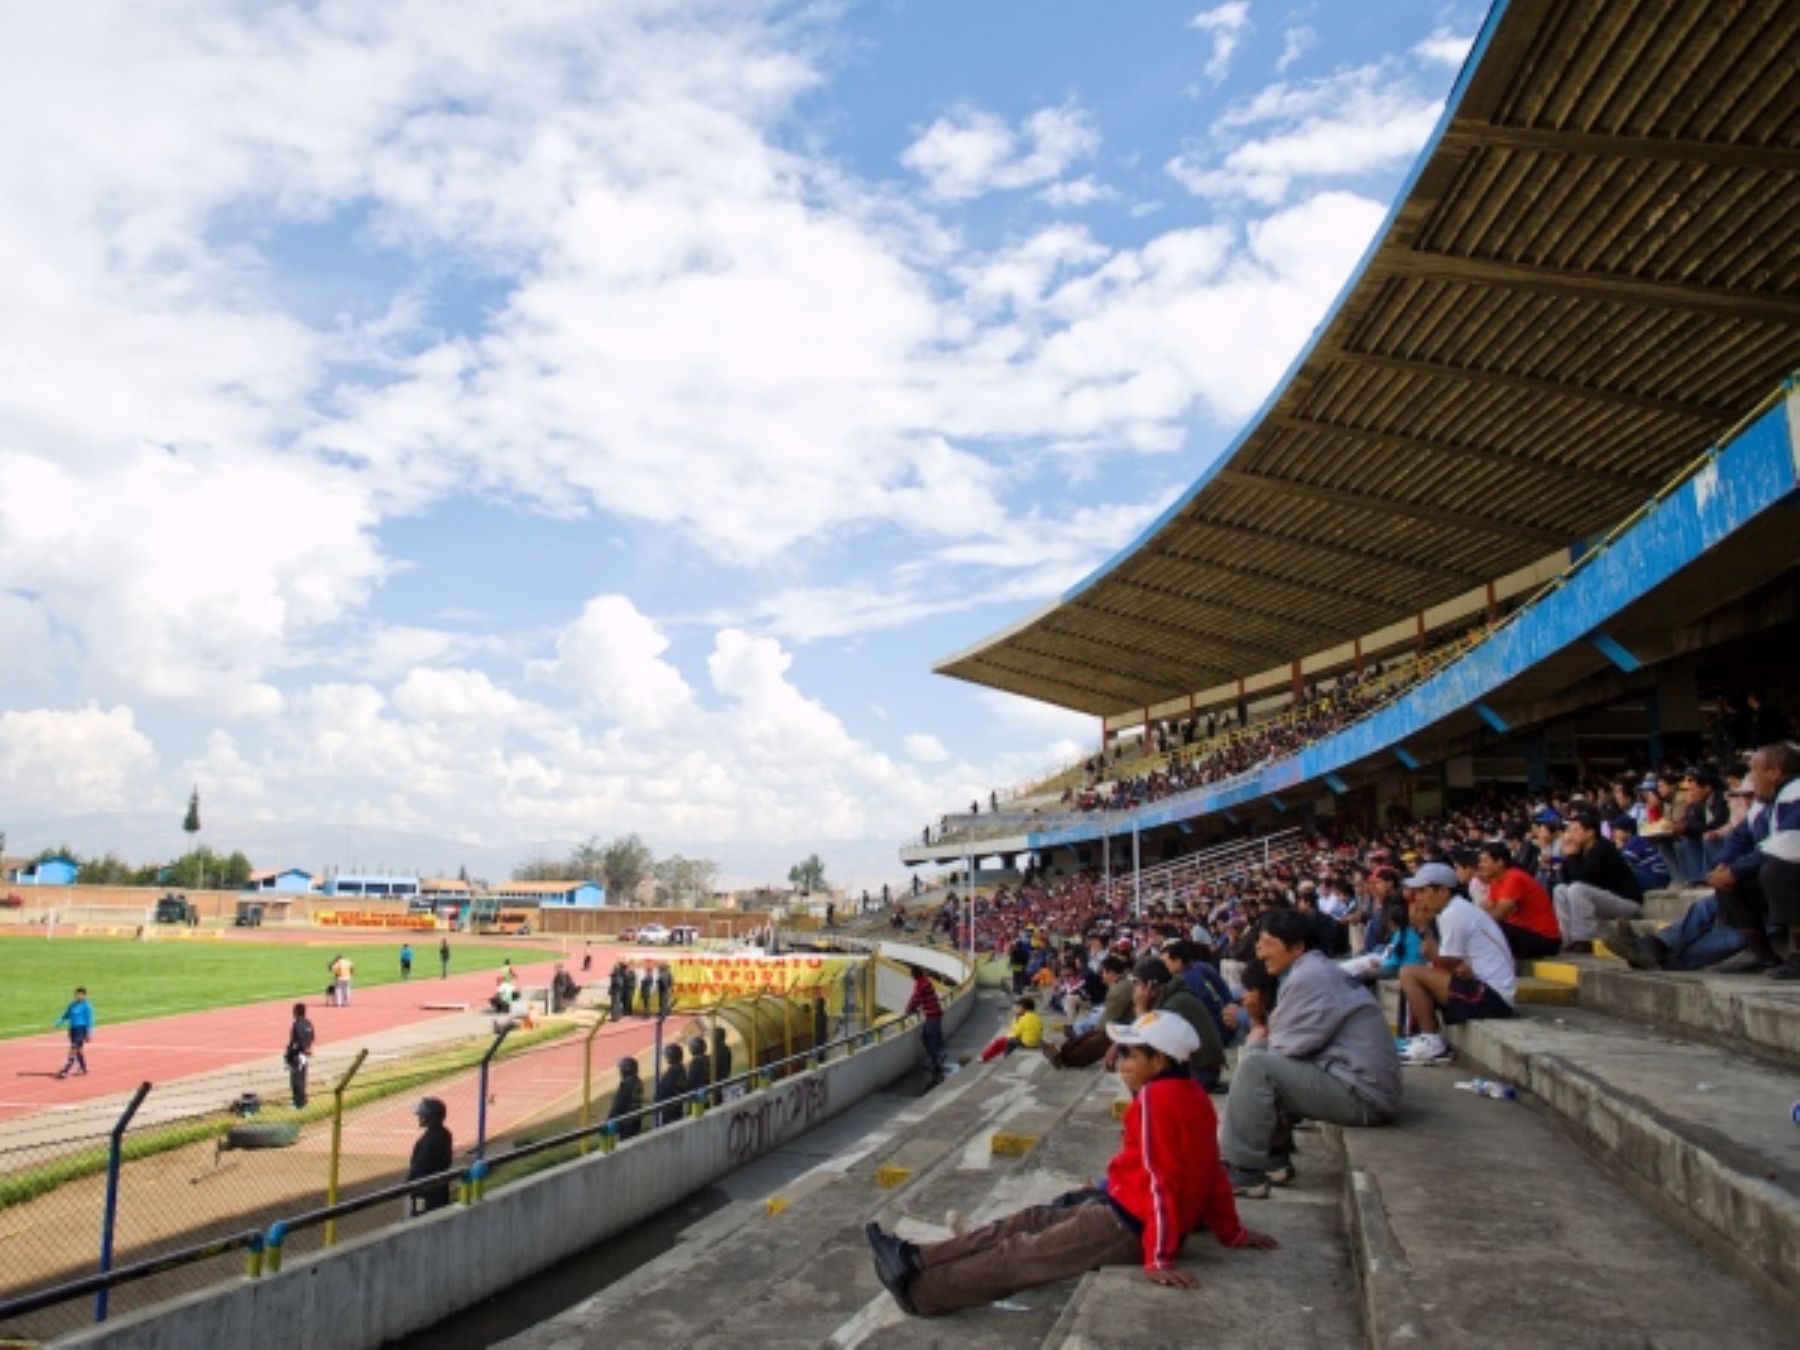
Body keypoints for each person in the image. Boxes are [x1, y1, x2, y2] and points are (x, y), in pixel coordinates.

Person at [864, 1011, 1277, 1316]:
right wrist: (1232, 1232)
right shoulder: (1193, 1098)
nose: (1121, 1063)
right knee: (1025, 1222)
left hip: (1126, 1225)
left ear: (1160, 1062)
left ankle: (922, 1293)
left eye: (1131, 1054)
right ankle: (917, 1257)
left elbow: (1158, 1180)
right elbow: (1211, 1175)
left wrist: (1158, 1257)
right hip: (1117, 1206)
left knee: (1020, 1253)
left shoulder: (1155, 1101)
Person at [1220, 909, 1400, 1198]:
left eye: (1267, 942)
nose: (1259, 950)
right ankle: (1273, 1157)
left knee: (1257, 1066)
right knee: (1260, 1055)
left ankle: (1242, 1170)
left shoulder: (1310, 976)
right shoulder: (1312, 970)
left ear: (1297, 947)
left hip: (1363, 1095)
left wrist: (1255, 1030)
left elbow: (1287, 1047)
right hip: (1357, 1082)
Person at [1396, 863, 1517, 1067]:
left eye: (1424, 890)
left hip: (1492, 997)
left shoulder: (1454, 914)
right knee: (1415, 974)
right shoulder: (1455, 909)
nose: (1419, 898)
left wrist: (1425, 928)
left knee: (1409, 973)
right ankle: (1421, 1037)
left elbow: (1448, 962)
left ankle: (1433, 1042)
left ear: (1443, 891)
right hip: (1487, 989)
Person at [1710, 742, 1800, 978]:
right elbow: (1739, 837)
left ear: (1775, 773)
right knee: (1729, 879)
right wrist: (1725, 864)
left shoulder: (1796, 792)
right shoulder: (1765, 802)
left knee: (1776, 869)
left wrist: (1735, 870)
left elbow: (1790, 844)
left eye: (1754, 770)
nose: (1750, 777)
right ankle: (1761, 954)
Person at [1126, 958, 1225, 1089]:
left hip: (1201, 1073)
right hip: (1197, 1068)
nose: (1134, 990)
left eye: (1136, 983)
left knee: (1142, 1074)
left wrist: (1140, 1009)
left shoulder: (1174, 1004)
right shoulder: (1171, 996)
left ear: (1151, 985)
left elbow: (1149, 1044)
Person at [1551, 809, 1644, 948]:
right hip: (1603, 900)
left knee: (1577, 889)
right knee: (1560, 889)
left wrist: (1572, 856)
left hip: (1626, 903)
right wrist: (1568, 858)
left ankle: (1584, 939)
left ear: (1590, 832)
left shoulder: (1603, 848)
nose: (1571, 835)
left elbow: (1584, 877)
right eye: (1570, 830)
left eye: (1576, 830)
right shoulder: (1581, 850)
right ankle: (1566, 938)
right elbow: (1567, 879)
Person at [1472, 841, 1561, 959]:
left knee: (1492, 926)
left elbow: (1500, 914)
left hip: (1545, 940)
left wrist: (1474, 924)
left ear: (1499, 862)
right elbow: (1487, 907)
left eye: (1485, 861)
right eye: (1480, 862)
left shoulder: (1514, 878)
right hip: (1525, 934)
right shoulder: (1496, 881)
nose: (1480, 865)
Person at [406, 1098, 454, 1215]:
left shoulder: (430, 1140)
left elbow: (420, 1168)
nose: (419, 1117)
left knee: (419, 1216)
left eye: (422, 1115)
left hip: (425, 1193)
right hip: (438, 1190)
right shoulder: (444, 1134)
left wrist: (410, 1184)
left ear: (430, 1117)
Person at [903, 965, 946, 1077]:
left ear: (914, 974)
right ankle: (935, 1060)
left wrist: (908, 1011)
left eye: (911, 974)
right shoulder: (925, 981)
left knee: (930, 1038)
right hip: (934, 1014)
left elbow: (915, 998)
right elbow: (919, 998)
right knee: (929, 1037)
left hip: (932, 1015)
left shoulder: (921, 984)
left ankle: (938, 1058)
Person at [978, 997, 1044, 1062]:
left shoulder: (1024, 1018)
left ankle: (985, 1057)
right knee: (1007, 1040)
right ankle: (991, 1057)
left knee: (1002, 1041)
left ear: (1024, 1008)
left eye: (1018, 1007)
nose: (1016, 1009)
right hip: (1036, 1042)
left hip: (1027, 1043)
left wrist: (1007, 1036)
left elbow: (1015, 1033)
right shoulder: (1036, 1016)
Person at [54, 987, 95, 1078]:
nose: (78, 996)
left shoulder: (87, 1006)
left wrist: (89, 1033)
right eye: (77, 994)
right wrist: (58, 1023)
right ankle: (83, 1068)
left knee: (73, 1049)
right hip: (73, 1029)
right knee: (78, 1050)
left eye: (80, 995)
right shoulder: (72, 1005)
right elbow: (66, 1016)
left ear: (84, 996)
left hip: (81, 1030)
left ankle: (66, 1070)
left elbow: (90, 1020)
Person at [284, 1002, 316, 1108]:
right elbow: (312, 1037)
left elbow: (296, 1041)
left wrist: (289, 1054)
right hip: (304, 1054)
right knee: (302, 1077)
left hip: (297, 1054)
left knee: (296, 1079)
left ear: (296, 1012)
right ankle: (302, 1099)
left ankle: (298, 1102)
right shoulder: (309, 1023)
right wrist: (308, 1047)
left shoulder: (297, 1024)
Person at [608, 1057, 645, 1139]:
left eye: (621, 1069)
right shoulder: (638, 1082)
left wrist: (609, 1121)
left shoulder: (626, 1086)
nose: (620, 1072)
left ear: (626, 1070)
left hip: (626, 1124)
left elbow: (618, 1106)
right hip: (635, 1121)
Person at [655, 1044, 689, 1126]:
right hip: (675, 1107)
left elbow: (665, 1090)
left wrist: (657, 1100)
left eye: (667, 1055)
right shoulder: (680, 1068)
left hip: (670, 1109)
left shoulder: (673, 1072)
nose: (665, 1057)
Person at [686, 1035, 713, 1102]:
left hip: (702, 1097)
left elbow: (691, 1083)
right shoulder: (709, 1058)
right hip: (710, 1091)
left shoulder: (695, 1063)